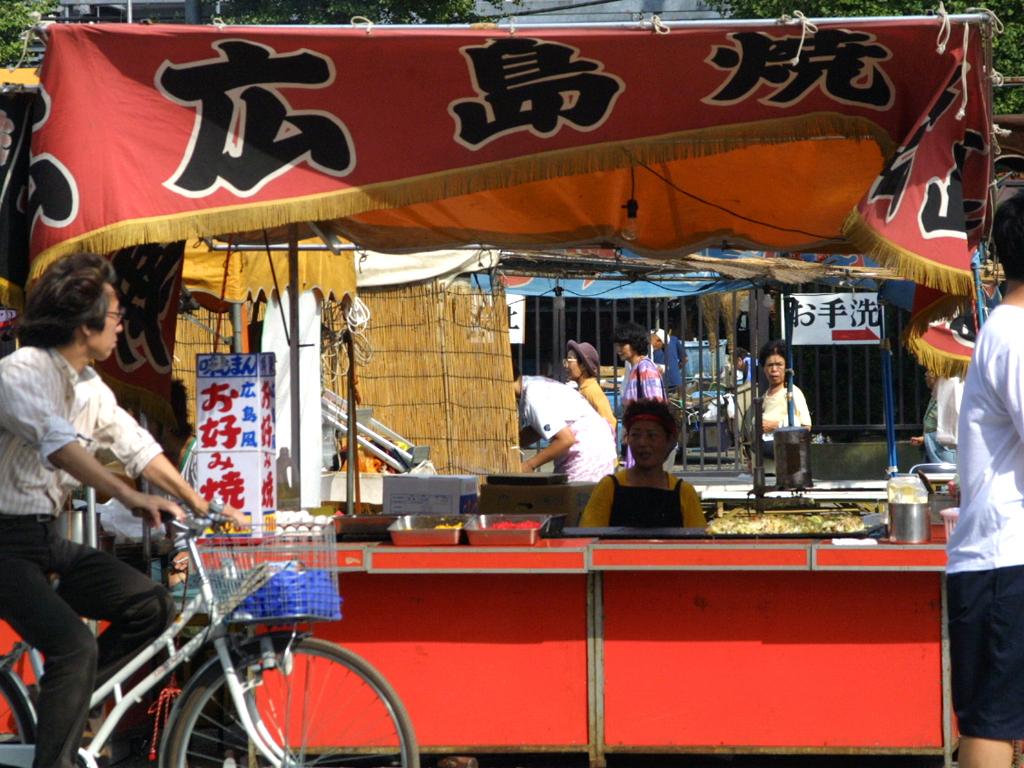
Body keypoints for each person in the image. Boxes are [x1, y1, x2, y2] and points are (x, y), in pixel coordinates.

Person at [0, 252, 246, 768]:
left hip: (46, 538)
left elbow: (137, 446)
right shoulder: (19, 371)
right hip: (4, 545)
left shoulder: (89, 385)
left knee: (151, 605)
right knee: (75, 647)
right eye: (115, 318)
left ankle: (63, 703)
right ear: (84, 322)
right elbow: (59, 444)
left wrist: (203, 504)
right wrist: (132, 495)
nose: (120, 329)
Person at [946, 191, 1024, 768]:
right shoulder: (1016, 336)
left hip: (1002, 558)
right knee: (994, 720)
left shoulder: (1006, 331)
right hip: (1004, 558)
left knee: (999, 714)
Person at [580, 398, 705, 528]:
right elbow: (588, 539)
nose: (642, 443)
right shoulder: (609, 487)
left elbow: (699, 543)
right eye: (635, 435)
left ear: (669, 440)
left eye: (651, 435)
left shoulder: (683, 492)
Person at [514, 367, 616, 482]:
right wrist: (514, 442)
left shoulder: (532, 395)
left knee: (576, 496)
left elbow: (566, 440)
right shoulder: (535, 383)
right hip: (599, 446)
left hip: (585, 453)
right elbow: (542, 426)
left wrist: (530, 465)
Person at [613, 323, 665, 468]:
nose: (618, 350)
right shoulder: (636, 368)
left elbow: (655, 406)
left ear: (635, 345)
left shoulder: (645, 368)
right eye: (618, 345)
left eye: (622, 345)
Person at [910, 370, 962, 465]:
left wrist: (926, 439)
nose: (926, 374)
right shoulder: (937, 394)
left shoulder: (951, 393)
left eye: (930, 371)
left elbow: (954, 428)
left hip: (946, 455)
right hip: (934, 452)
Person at [565, 340, 616, 434]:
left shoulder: (591, 391)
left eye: (569, 360)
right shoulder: (583, 389)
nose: (566, 365)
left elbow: (610, 422)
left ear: (584, 365)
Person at [650, 328, 685, 399]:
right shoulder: (674, 340)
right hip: (674, 379)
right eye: (663, 346)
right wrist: (677, 368)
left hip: (660, 382)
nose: (662, 348)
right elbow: (685, 358)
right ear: (657, 340)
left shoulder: (648, 348)